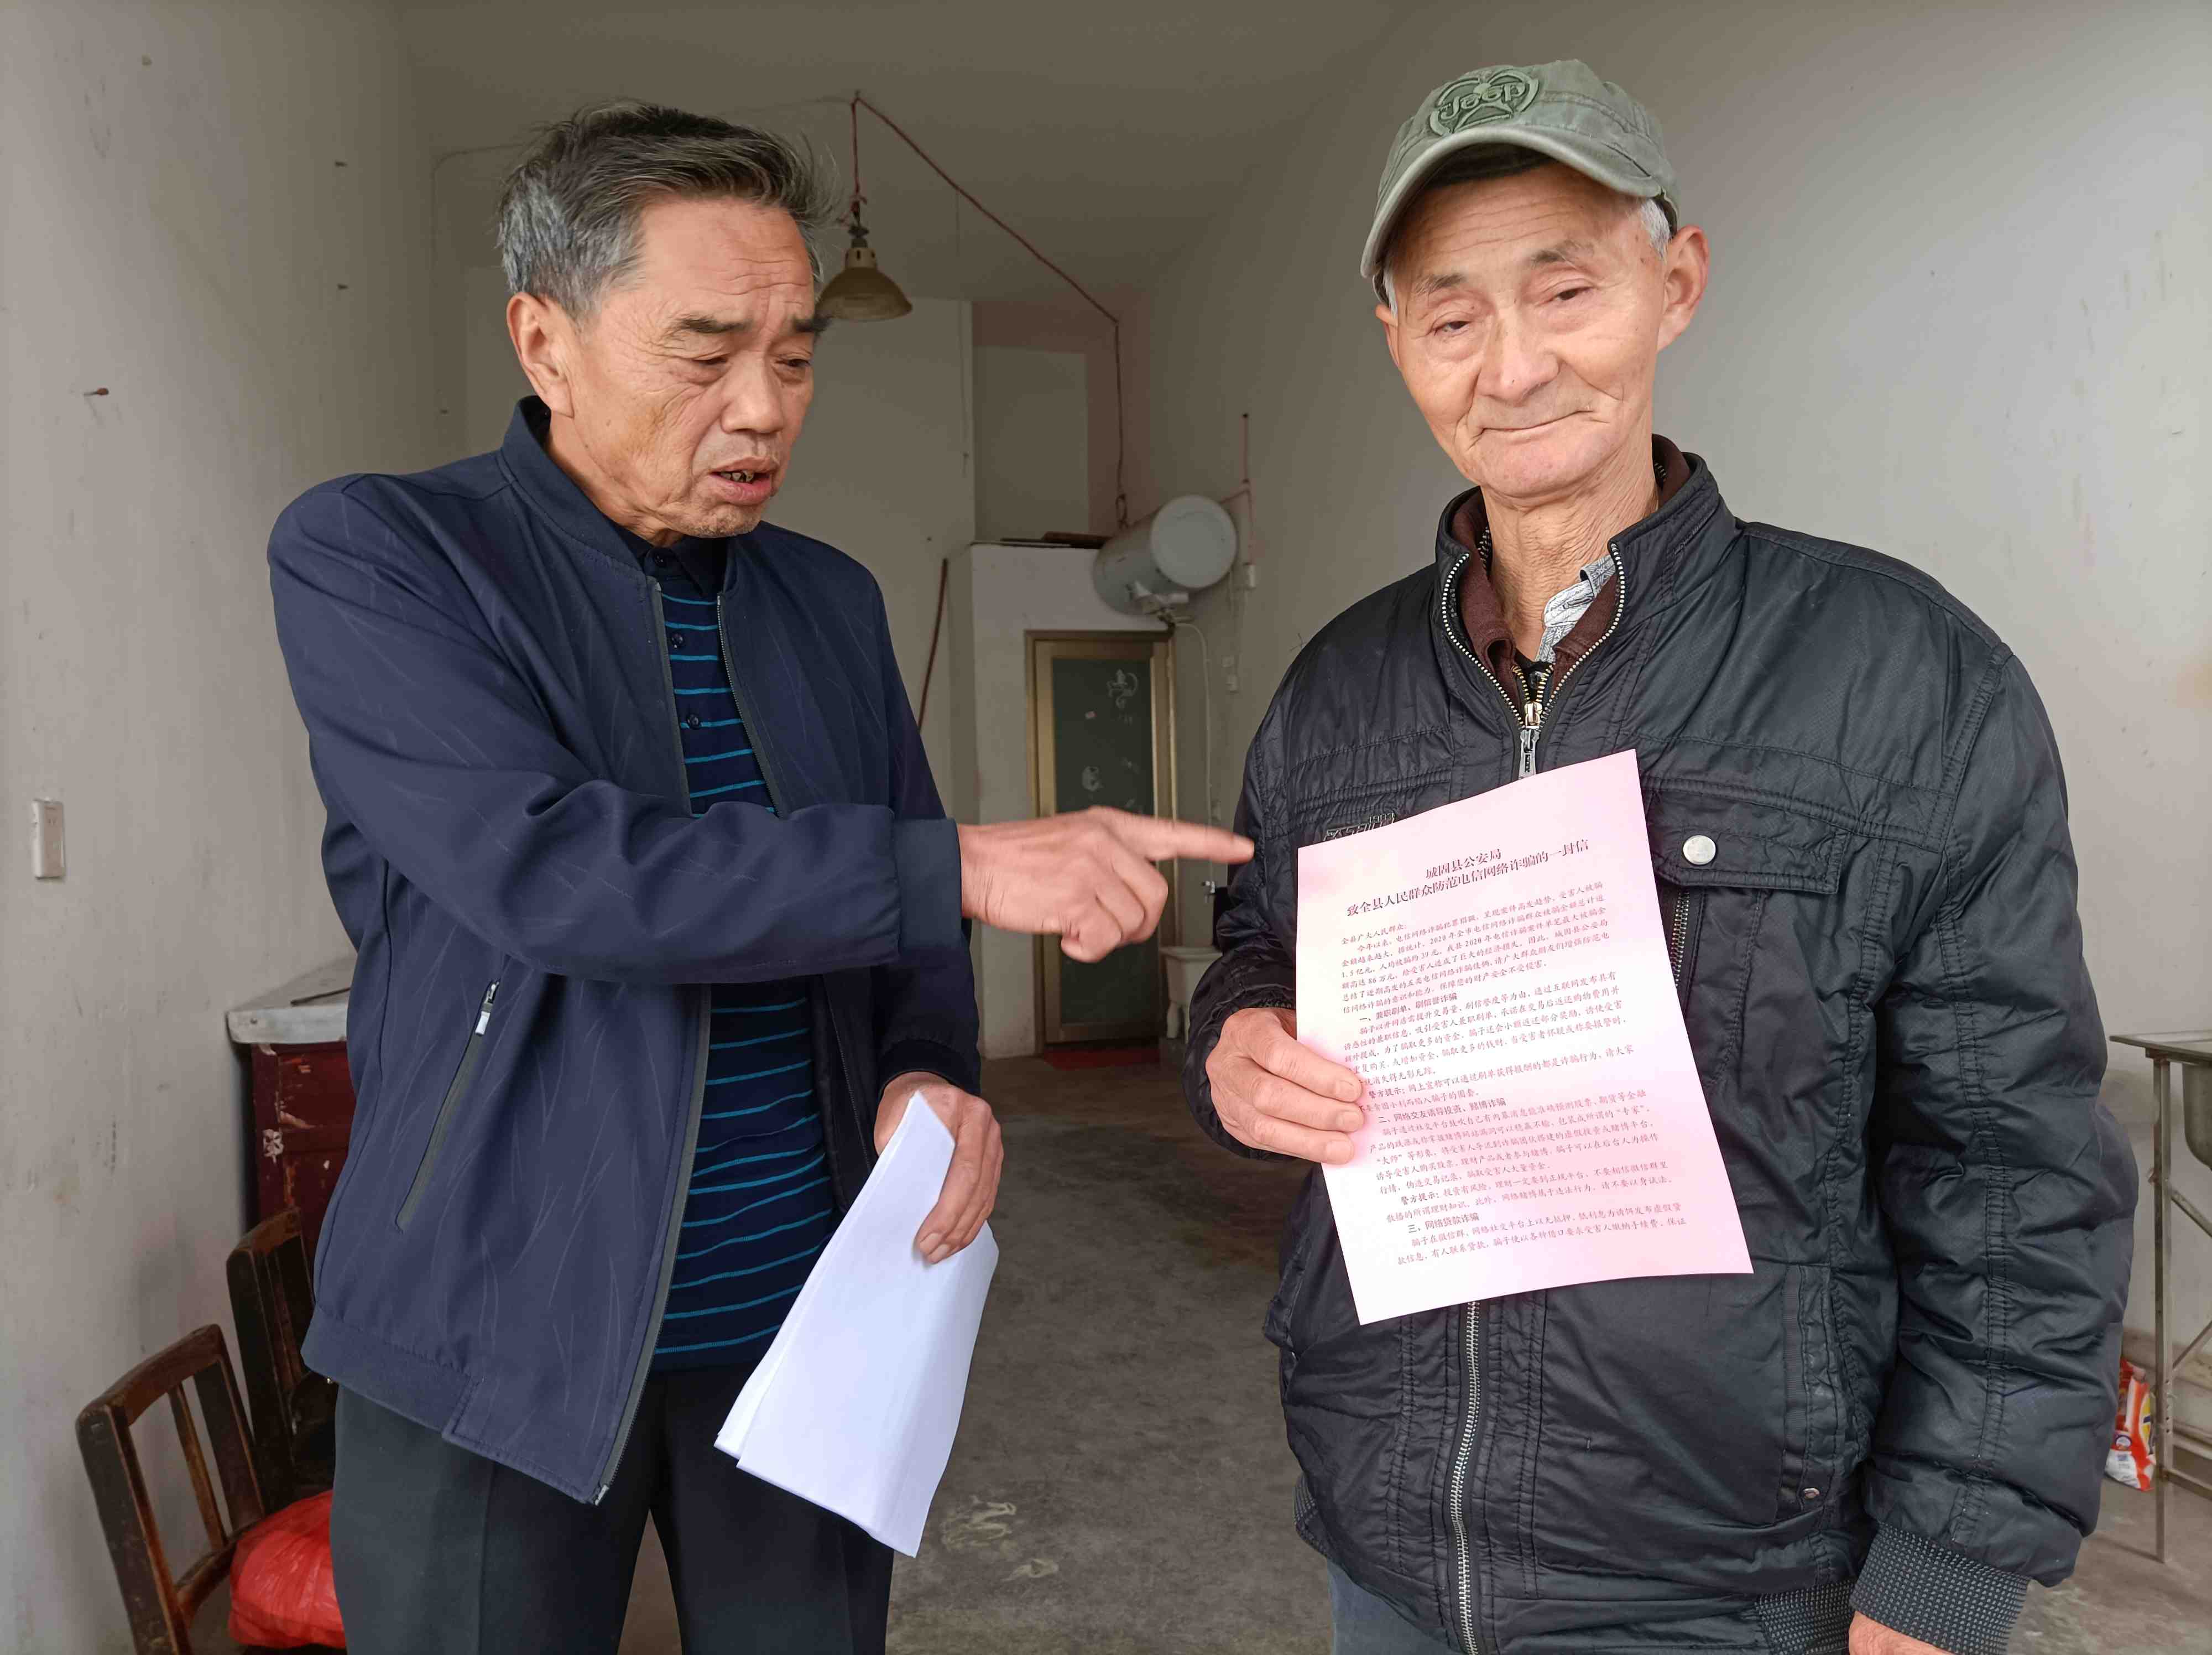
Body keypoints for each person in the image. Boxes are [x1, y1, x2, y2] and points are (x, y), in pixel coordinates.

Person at [268, 101, 1245, 1655]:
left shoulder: (827, 601)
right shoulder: (387, 557)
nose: (764, 408)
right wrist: (965, 863)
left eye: (794, 359)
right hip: (492, 1330)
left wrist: (928, 1070)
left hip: (803, 1327)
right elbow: (552, 873)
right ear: (545, 341)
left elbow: (910, 942)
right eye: (705, 352)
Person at [1185, 61, 2133, 1655]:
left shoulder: (1900, 676)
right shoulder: (1337, 692)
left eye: (1567, 291)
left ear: (1674, 283)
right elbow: (1258, 940)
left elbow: (2013, 1167)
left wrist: (1949, 1574)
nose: (1515, 366)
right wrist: (1235, 1038)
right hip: (1390, 1548)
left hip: (1735, 1585)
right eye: (1453, 315)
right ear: (1398, 340)